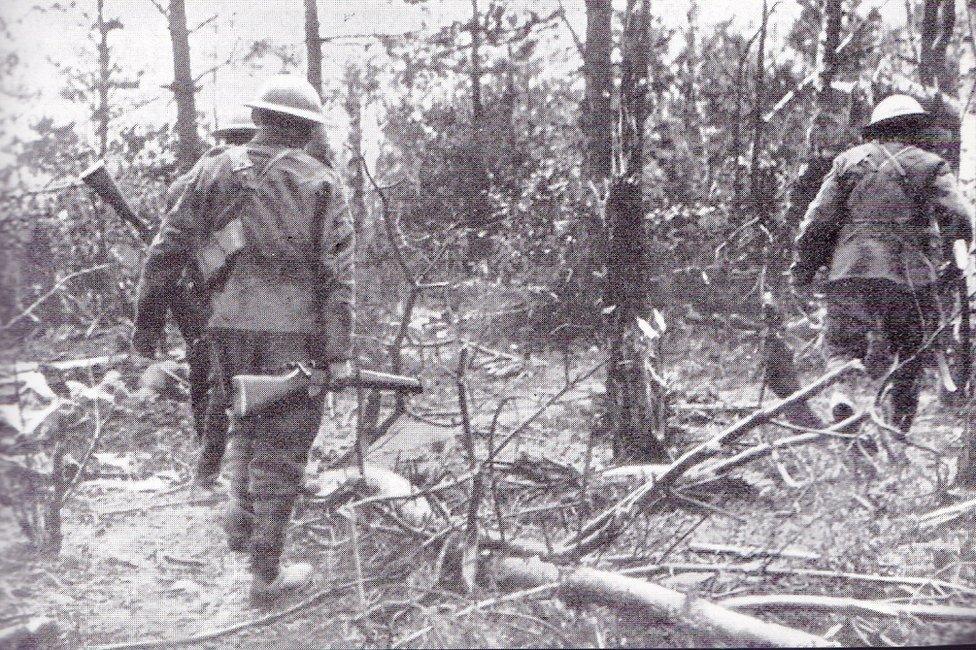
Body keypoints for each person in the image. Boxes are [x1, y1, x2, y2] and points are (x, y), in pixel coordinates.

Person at [132, 74, 354, 604]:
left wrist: (146, 332)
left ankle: (242, 524)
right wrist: (339, 351)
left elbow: (165, 251)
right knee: (283, 445)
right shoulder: (322, 181)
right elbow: (339, 272)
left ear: (258, 120)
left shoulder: (212, 170)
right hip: (294, 331)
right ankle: (266, 573)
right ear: (304, 131)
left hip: (226, 324)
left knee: (245, 422)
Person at [791, 94, 973, 438]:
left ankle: (842, 395)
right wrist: (953, 261)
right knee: (911, 353)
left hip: (850, 271)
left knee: (843, 345)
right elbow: (961, 217)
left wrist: (803, 267)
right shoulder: (930, 165)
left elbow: (818, 221)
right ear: (916, 129)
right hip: (909, 277)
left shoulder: (848, 161)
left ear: (877, 130)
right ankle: (895, 432)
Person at [161, 116, 259, 491]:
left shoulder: (188, 183)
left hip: (195, 292)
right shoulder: (239, 182)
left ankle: (211, 465)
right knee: (223, 381)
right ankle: (211, 471)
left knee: (208, 375)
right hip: (218, 293)